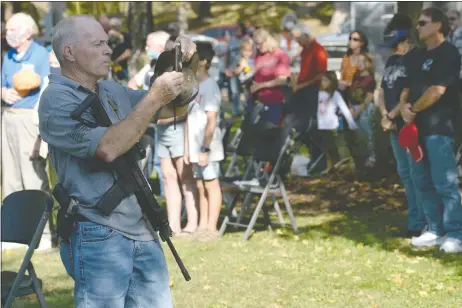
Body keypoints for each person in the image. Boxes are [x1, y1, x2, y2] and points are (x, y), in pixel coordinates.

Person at [38, 15, 197, 306]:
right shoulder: (56, 100)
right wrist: (155, 97)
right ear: (69, 52)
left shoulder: (110, 90)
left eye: (107, 43)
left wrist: (180, 61)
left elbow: (167, 107)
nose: (108, 50)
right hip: (97, 231)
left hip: (142, 224)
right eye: (98, 43)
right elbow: (108, 147)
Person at [400, 8, 462, 253]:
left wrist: (412, 109)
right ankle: (435, 229)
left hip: (440, 126)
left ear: (438, 25)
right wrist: (404, 107)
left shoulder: (449, 53)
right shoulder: (415, 54)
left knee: (444, 181)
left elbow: (438, 90)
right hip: (414, 128)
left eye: (423, 23)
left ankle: (455, 232)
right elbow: (406, 85)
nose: (418, 27)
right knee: (421, 180)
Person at [378, 13, 427, 238]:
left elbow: (408, 91)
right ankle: (413, 219)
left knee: (417, 174)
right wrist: (383, 114)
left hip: (408, 124)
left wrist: (392, 114)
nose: (394, 48)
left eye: (397, 43)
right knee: (405, 174)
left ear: (406, 39)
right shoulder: (392, 60)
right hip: (392, 124)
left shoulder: (415, 57)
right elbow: (381, 90)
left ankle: (423, 222)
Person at [1, 13, 50, 199]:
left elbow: (46, 87)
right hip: (8, 117)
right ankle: (13, 224)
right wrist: (4, 93)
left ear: (28, 32)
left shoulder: (40, 55)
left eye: (13, 29)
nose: (8, 33)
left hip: (29, 120)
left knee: (32, 175)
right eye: (7, 29)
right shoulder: (9, 56)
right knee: (10, 175)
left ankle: (42, 227)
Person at [185, 43, 224, 241]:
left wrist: (205, 148)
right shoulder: (194, 86)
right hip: (194, 145)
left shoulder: (211, 87)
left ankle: (212, 227)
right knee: (200, 185)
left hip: (207, 147)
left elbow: (211, 121)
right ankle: (202, 224)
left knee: (211, 184)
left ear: (204, 62)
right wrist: (188, 148)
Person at [290, 24, 328, 173]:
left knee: (312, 127)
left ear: (306, 36)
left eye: (299, 39)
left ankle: (319, 160)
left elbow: (320, 75)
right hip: (302, 92)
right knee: (301, 127)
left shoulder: (318, 50)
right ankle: (312, 157)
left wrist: (303, 85)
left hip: (312, 91)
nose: (297, 43)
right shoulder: (304, 50)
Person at [317, 71, 357, 171]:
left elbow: (344, 109)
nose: (323, 82)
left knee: (338, 147)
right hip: (321, 125)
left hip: (333, 126)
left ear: (332, 82)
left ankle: (345, 167)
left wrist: (351, 123)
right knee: (327, 148)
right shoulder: (319, 94)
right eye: (322, 80)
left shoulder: (335, 95)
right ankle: (330, 167)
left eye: (326, 80)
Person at [250, 28, 291, 126]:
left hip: (274, 100)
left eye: (260, 43)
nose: (258, 47)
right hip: (257, 100)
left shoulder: (280, 55)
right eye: (256, 44)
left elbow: (283, 79)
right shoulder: (259, 55)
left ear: (267, 40)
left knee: (270, 131)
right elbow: (256, 73)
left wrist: (261, 85)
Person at [348, 53, 377, 169]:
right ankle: (362, 158)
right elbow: (350, 93)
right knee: (359, 135)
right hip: (354, 107)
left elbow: (369, 97)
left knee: (368, 133)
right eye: (358, 61)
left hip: (365, 109)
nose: (359, 64)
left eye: (362, 61)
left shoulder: (370, 78)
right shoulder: (355, 76)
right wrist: (350, 108)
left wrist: (358, 111)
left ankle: (372, 157)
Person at [339, 31, 370, 97]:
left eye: (355, 39)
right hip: (345, 94)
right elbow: (342, 76)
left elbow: (367, 81)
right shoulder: (346, 57)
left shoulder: (364, 59)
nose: (351, 41)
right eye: (350, 38)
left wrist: (347, 83)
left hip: (359, 95)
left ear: (362, 43)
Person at [108, 17, 132, 82]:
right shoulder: (107, 38)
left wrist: (115, 62)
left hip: (122, 68)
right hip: (109, 70)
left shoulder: (125, 36)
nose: (113, 28)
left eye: (115, 26)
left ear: (119, 26)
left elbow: (128, 53)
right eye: (111, 26)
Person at [447, 10, 462, 91]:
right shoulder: (446, 36)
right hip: (451, 79)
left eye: (452, 19)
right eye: (447, 19)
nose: (449, 21)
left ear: (459, 20)